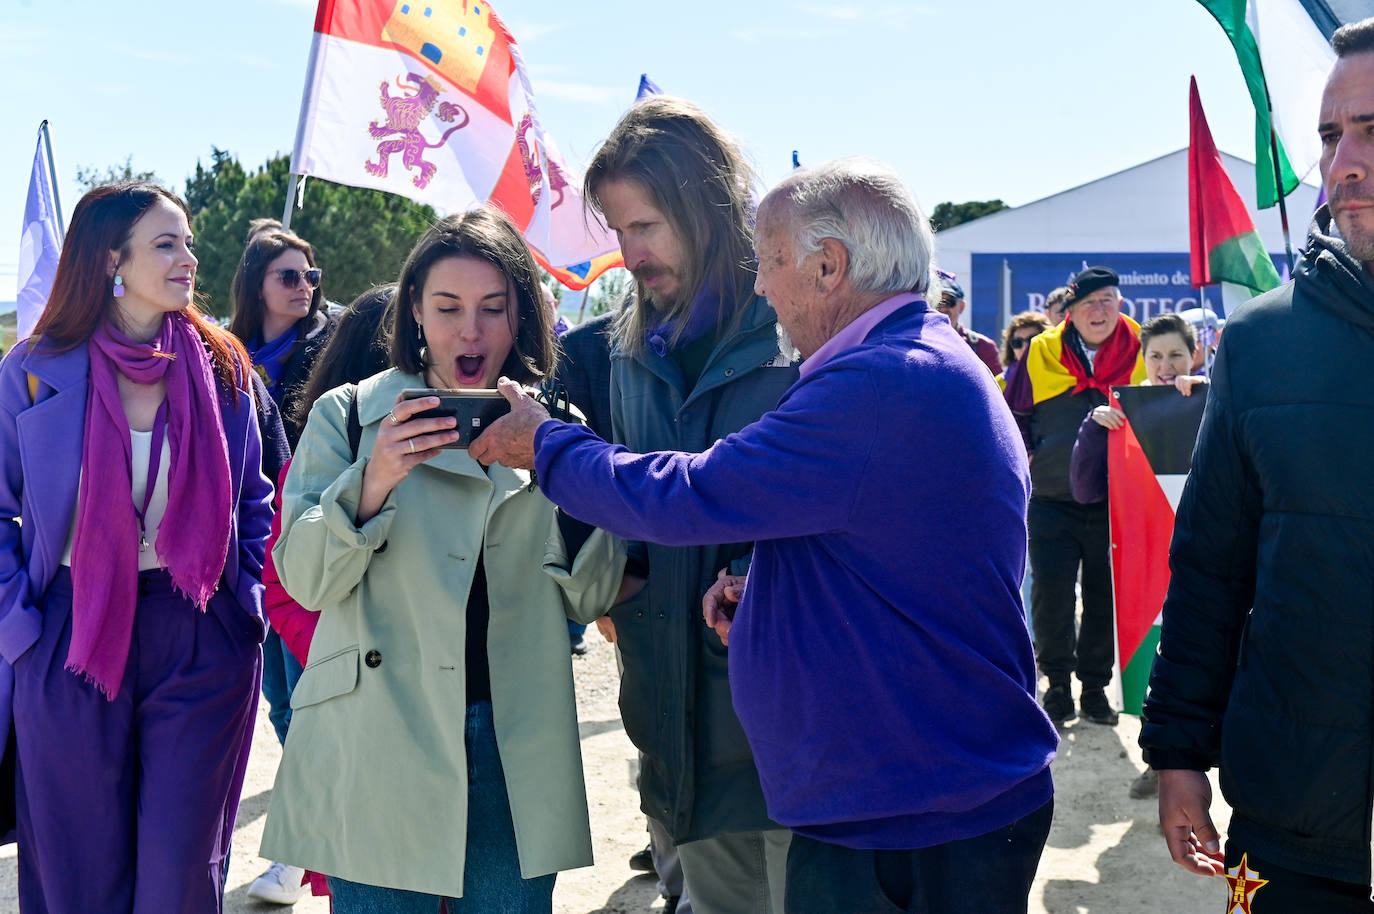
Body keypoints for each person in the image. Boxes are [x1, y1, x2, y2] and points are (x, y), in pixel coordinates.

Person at [472, 157, 1059, 914]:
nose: (759, 285)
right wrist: (778, 593)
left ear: (827, 265)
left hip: (906, 820)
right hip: (917, 799)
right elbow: (888, 549)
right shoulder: (910, 361)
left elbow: (689, 496)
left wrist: (546, 446)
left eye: (771, 261)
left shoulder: (876, 384)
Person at [259, 207, 626, 913]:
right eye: (448, 307)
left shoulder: (558, 430)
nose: (471, 330)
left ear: (522, 316)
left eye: (493, 308)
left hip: (511, 748)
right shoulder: (350, 416)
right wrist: (371, 482)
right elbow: (303, 580)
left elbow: (595, 595)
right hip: (375, 743)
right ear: (415, 315)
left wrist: (559, 466)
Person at [1141, 19, 1374, 909]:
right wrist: (1176, 754)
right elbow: (1208, 569)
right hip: (1280, 829)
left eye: (1372, 131)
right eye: (1329, 134)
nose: (1342, 163)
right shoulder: (1259, 341)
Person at [0, 181, 272, 912]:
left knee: (179, 877)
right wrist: (19, 628)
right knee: (78, 875)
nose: (189, 257)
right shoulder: (31, 369)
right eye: (166, 244)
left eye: (186, 242)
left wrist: (243, 606)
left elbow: (256, 497)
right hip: (68, 633)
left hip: (199, 630)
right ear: (111, 260)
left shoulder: (223, 368)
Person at [576, 95, 800, 914]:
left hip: (784, 729)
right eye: (618, 229)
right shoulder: (625, 346)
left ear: (708, 209)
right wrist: (623, 582)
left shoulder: (796, 331)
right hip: (666, 722)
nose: (630, 254)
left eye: (648, 226)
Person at [227, 228, 336, 905]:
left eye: (310, 275)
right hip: (247, 548)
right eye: (288, 276)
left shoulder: (330, 348)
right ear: (257, 284)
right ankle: (306, 848)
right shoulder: (227, 356)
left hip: (312, 542)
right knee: (280, 702)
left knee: (307, 702)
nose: (305, 287)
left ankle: (303, 851)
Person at [1005, 266, 1145, 726]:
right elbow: (1013, 414)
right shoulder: (1041, 351)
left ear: (1120, 304)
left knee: (1105, 597)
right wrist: (1026, 456)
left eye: (1107, 300)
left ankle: (1095, 687)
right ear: (1071, 312)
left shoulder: (1141, 347)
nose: (1098, 311)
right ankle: (1058, 686)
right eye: (1088, 303)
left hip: (1116, 505)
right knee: (1051, 594)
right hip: (1050, 497)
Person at [933, 271, 1001, 374]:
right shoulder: (915, 343)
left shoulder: (983, 347)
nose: (942, 308)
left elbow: (997, 387)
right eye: (937, 302)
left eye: (949, 302)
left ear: (962, 306)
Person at [997, 310, 1053, 391]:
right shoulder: (998, 384)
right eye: (1017, 342)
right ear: (1011, 348)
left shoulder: (1060, 377)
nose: (1025, 347)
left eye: (1032, 340)